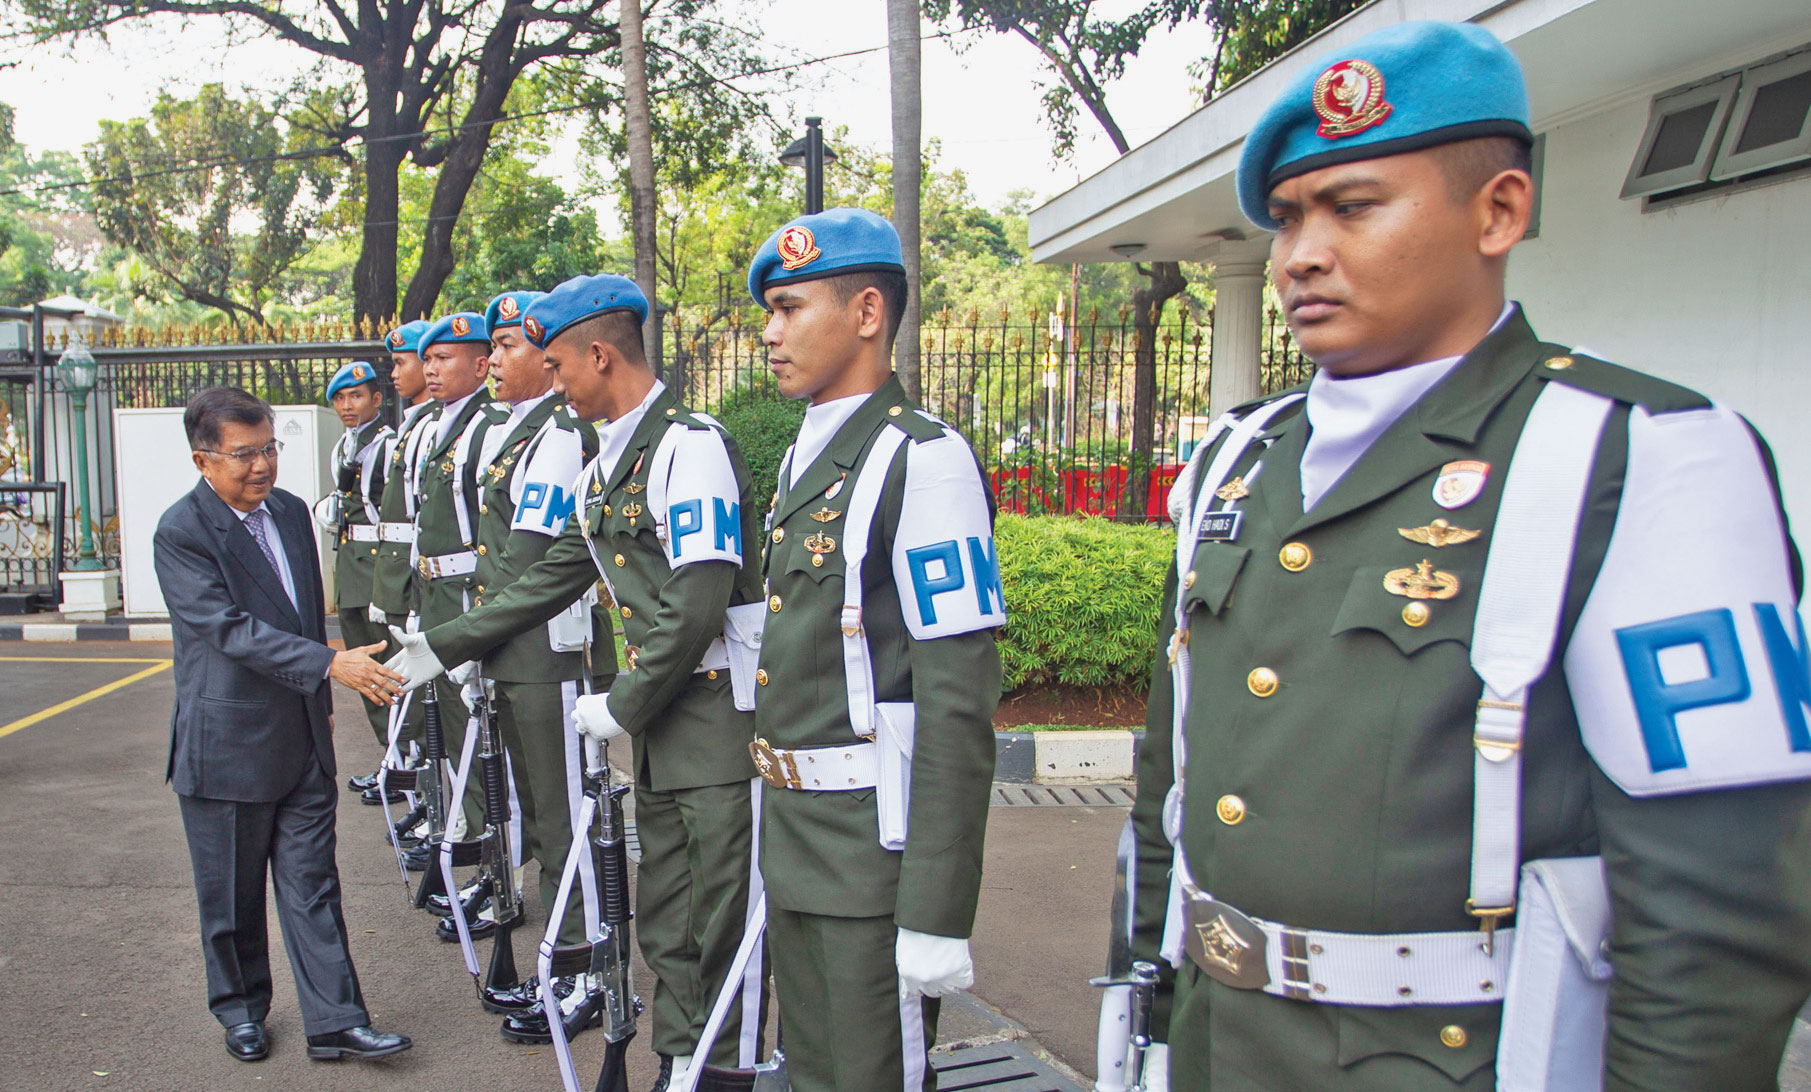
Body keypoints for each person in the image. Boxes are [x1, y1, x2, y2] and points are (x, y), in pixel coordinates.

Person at [1121, 20, 1811, 1091]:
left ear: (1497, 211)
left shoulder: (1634, 455)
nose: (1300, 253)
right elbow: (1168, 782)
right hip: (1221, 1041)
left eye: (1352, 206)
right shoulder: (1234, 462)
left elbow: (1716, 913)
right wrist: (1150, 999)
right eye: (1289, 217)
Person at [391, 274, 764, 1086]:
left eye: (556, 364)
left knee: (717, 913)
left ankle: (719, 1067)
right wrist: (443, 646)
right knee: (667, 911)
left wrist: (622, 705)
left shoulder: (686, 444)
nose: (551, 381)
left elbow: (697, 600)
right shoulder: (611, 459)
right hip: (668, 722)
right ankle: (679, 1058)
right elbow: (551, 575)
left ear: (600, 355)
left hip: (710, 720)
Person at [746, 208, 1005, 1091]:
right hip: (798, 839)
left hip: (870, 858)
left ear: (866, 313)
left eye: (788, 307)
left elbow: (958, 700)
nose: (770, 334)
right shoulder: (807, 457)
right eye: (767, 314)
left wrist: (936, 910)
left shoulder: (921, 460)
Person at [152, 386, 412, 1064]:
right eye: (244, 455)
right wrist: (330, 667)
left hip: (301, 736)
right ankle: (240, 1010)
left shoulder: (292, 513)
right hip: (228, 744)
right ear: (203, 460)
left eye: (269, 447)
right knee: (232, 897)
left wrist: (319, 694)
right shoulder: (181, 531)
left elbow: (300, 614)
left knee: (312, 885)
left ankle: (336, 1021)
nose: (262, 465)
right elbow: (227, 630)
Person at [413, 311, 513, 857]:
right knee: (457, 730)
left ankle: (494, 852)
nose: (431, 369)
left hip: (466, 598)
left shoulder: (491, 425)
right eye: (426, 359)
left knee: (483, 735)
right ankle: (474, 837)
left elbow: (490, 532)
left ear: (480, 365)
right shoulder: (440, 424)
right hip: (436, 600)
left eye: (443, 358)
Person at [357, 320, 437, 810]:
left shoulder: (433, 427)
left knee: (431, 706)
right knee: (409, 697)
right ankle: (412, 785)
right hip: (396, 578)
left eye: (401, 362)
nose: (395, 373)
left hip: (419, 584)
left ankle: (428, 798)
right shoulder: (414, 427)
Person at [322, 360, 396, 758]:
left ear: (377, 399)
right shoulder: (343, 446)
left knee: (384, 663)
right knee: (362, 669)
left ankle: (406, 752)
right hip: (351, 564)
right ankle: (390, 754)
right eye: (340, 398)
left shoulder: (388, 444)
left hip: (377, 562)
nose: (347, 405)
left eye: (356, 396)